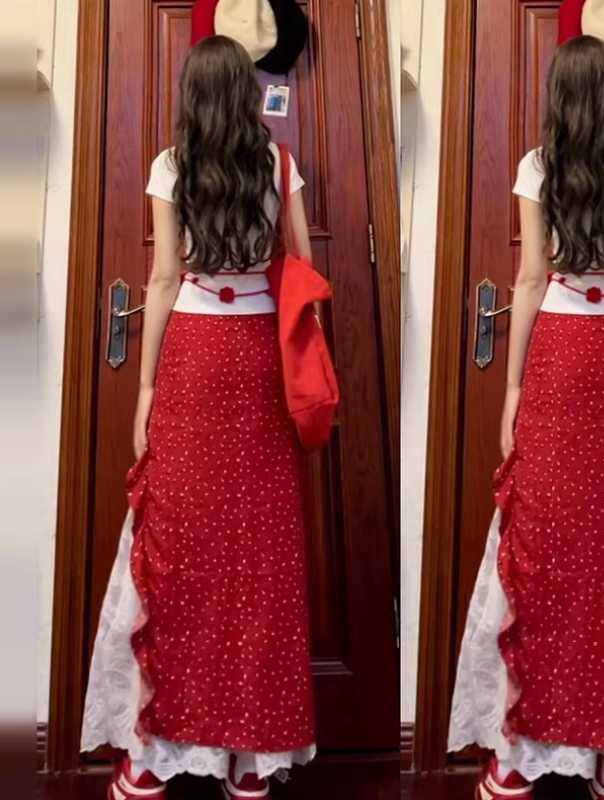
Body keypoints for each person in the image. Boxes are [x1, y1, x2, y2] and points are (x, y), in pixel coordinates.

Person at [80, 35, 317, 800]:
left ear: (191, 95)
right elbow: (304, 267)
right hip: (258, 355)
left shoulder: (172, 165)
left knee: (177, 548)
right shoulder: (277, 163)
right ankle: (248, 758)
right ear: (246, 94)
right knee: (256, 550)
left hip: (193, 350)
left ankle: (153, 752)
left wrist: (146, 388)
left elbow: (162, 275)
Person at [447, 36, 604, 800]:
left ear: (558, 95)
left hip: (560, 352)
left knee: (542, 546)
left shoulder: (538, 165)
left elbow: (528, 278)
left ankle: (520, 753)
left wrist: (513, 389)